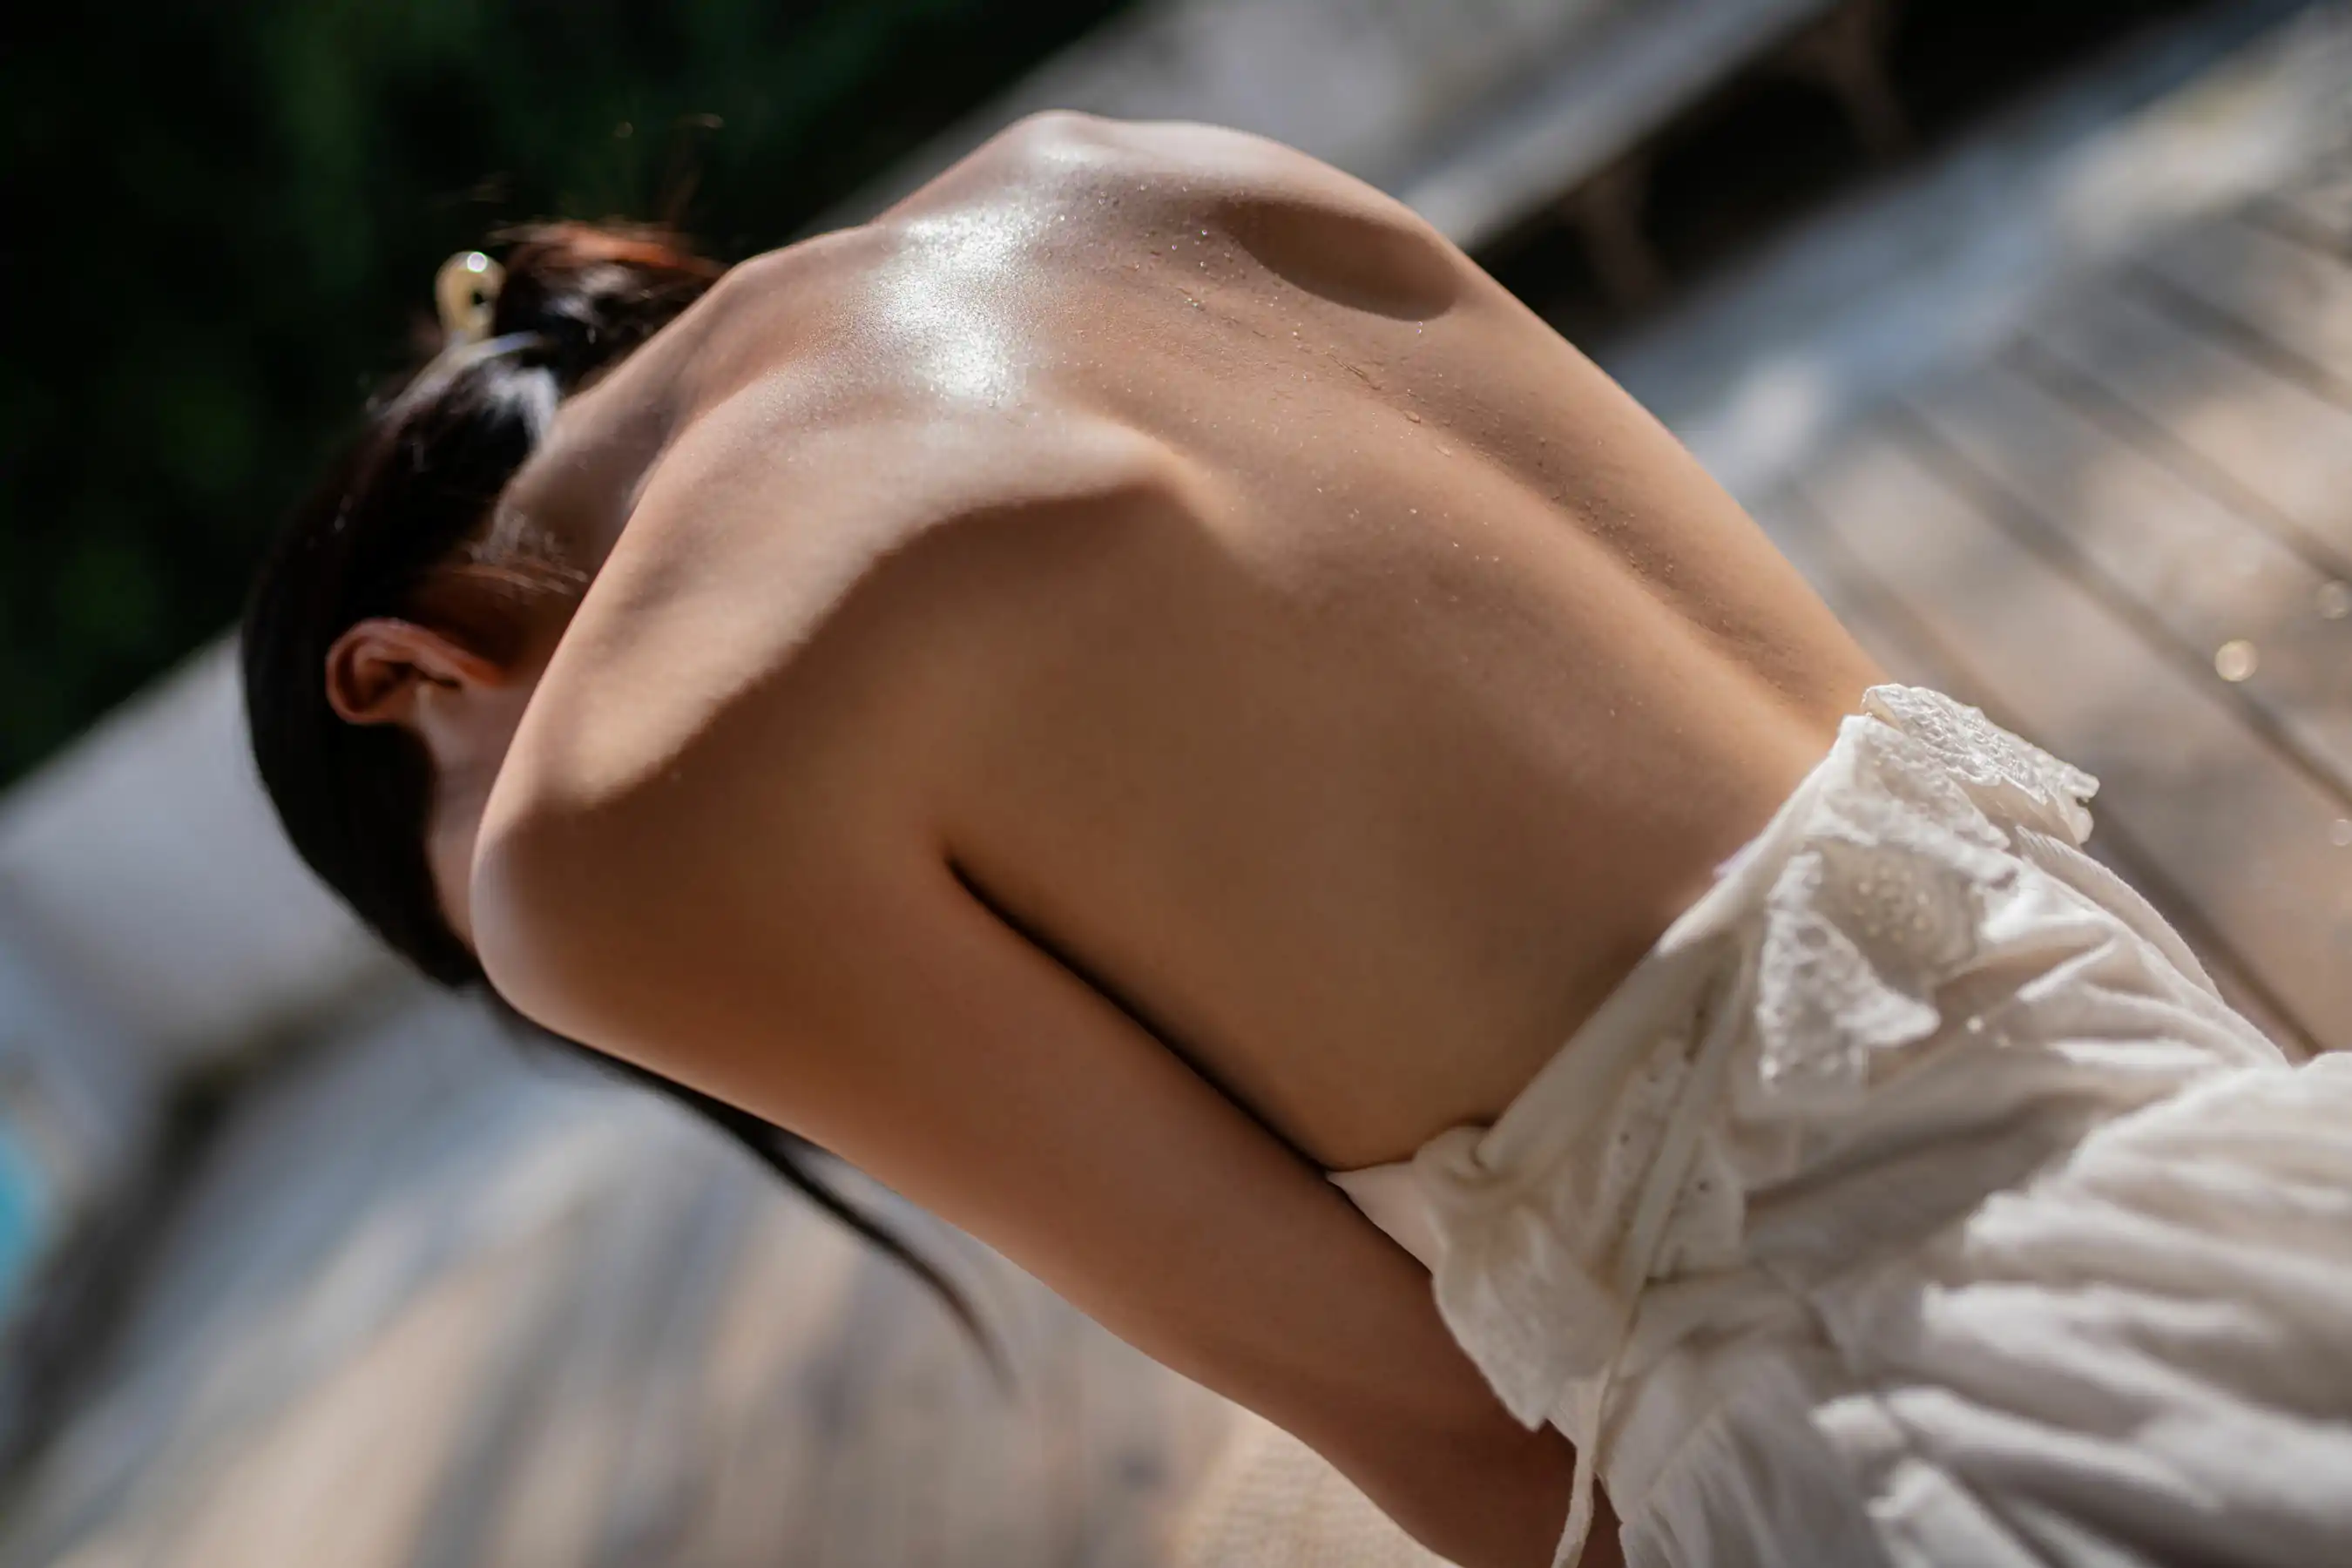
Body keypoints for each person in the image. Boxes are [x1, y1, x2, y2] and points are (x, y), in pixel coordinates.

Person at [243, 113, 2352, 1568]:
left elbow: (1469, 1450)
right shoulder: (1149, 183)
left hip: (1928, 1477)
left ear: (400, 674)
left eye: (454, 879)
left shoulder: (607, 835)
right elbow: (1897, 780)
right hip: (2238, 1185)